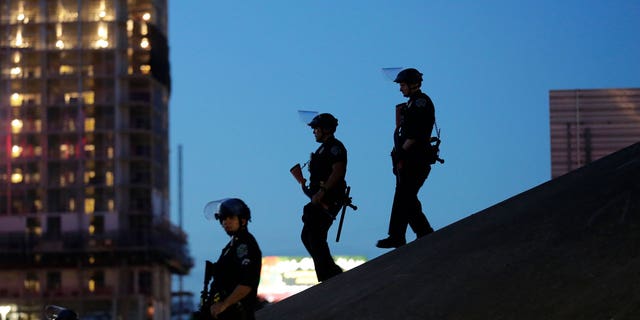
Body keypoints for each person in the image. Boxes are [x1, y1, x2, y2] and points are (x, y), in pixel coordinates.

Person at [377, 68, 436, 249]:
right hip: (409, 160)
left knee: (404, 197)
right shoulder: (411, 104)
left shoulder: (420, 102)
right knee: (406, 197)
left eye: (403, 85)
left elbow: (416, 133)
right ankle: (421, 232)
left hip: (417, 159)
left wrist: (401, 152)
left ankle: (399, 236)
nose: (401, 89)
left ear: (413, 84)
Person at [300, 113, 346, 281]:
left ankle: (329, 275)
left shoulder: (335, 147)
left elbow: (338, 171)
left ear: (325, 129)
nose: (314, 132)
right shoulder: (322, 148)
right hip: (319, 198)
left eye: (316, 128)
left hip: (329, 198)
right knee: (308, 236)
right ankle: (329, 270)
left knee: (315, 235)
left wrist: (322, 191)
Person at [206, 198, 262, 320]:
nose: (226, 222)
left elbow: (247, 283)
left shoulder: (245, 244)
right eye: (223, 219)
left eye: (230, 218)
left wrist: (224, 305)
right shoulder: (231, 246)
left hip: (238, 314)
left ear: (243, 220)